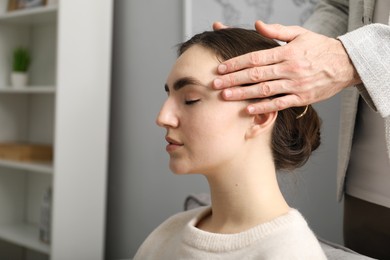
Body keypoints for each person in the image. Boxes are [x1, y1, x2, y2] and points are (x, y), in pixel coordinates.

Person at [212, 1, 390, 259]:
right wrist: (281, 57)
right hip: (362, 191)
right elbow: (340, 7)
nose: (164, 118)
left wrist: (349, 58)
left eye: (191, 100)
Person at [133, 28, 326, 259]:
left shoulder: (291, 253)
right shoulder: (165, 236)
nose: (162, 117)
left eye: (190, 99)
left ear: (259, 116)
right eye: (169, 97)